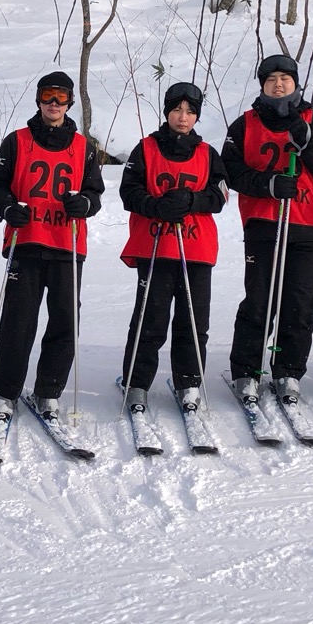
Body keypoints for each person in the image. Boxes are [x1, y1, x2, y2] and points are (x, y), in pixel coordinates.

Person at [0, 72, 105, 423]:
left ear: (69, 103)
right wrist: (8, 207)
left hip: (66, 244)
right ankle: (6, 392)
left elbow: (95, 193)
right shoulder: (17, 140)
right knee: (18, 321)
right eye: (47, 96)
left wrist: (84, 204)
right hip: (26, 241)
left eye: (61, 97)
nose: (54, 103)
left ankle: (48, 390)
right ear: (38, 100)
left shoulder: (83, 146)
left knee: (65, 320)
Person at [221, 54, 313, 404]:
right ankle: (248, 370)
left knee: (299, 304)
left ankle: (288, 370)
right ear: (262, 85)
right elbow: (231, 171)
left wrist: (307, 141)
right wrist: (268, 185)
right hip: (264, 223)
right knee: (260, 301)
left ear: (295, 83)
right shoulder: (244, 125)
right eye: (271, 79)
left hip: (308, 225)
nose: (278, 84)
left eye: (284, 78)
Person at [120, 82, 228, 413]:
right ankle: (136, 382)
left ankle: (189, 382)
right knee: (150, 319)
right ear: (167, 112)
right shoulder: (146, 148)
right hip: (156, 245)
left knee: (193, 321)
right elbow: (129, 191)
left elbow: (221, 194)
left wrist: (193, 199)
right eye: (178, 110)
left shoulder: (208, 152)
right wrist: (156, 206)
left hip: (196, 247)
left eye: (190, 112)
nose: (183, 117)